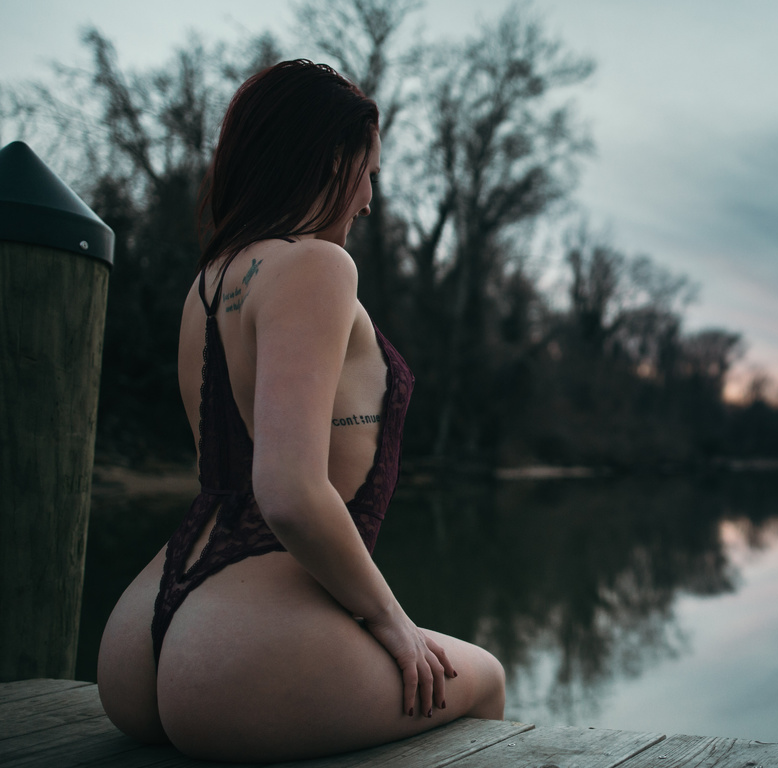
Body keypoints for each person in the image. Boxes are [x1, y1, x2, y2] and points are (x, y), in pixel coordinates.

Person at [96, 60, 505, 762]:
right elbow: (287, 490)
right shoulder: (317, 265)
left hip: (142, 632)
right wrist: (392, 620)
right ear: (329, 158)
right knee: (485, 678)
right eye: (367, 170)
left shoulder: (210, 280)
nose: (370, 198)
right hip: (243, 649)